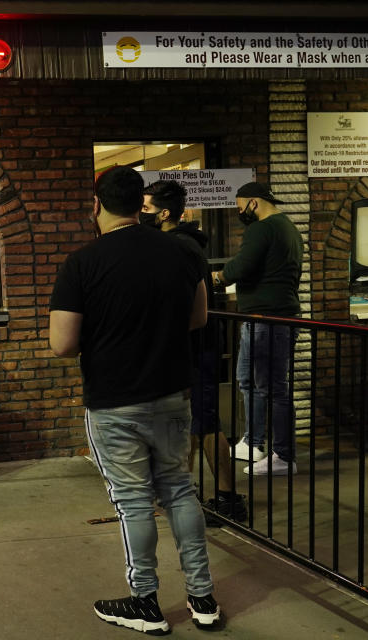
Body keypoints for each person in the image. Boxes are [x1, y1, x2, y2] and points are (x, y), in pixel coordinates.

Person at [50, 166, 219, 635]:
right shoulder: (183, 252)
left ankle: (145, 601)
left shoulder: (81, 264)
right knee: (180, 491)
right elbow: (199, 316)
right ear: (141, 205)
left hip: (113, 400)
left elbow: (62, 344)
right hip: (170, 393)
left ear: (97, 205)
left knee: (133, 504)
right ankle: (203, 598)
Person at [141, 180, 247, 524]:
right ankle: (185, 492)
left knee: (204, 421)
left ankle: (228, 499)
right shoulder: (180, 244)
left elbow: (185, 304)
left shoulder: (180, 248)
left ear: (165, 213)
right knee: (191, 422)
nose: (142, 214)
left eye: (146, 209)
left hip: (197, 348)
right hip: (193, 347)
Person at [211, 182, 303, 476]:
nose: (240, 213)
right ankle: (253, 442)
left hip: (266, 320)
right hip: (272, 318)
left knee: (271, 387)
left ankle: (283, 456)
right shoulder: (287, 227)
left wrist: (216, 277)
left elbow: (242, 267)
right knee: (249, 381)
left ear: (254, 202)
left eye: (240, 207)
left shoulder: (262, 229)